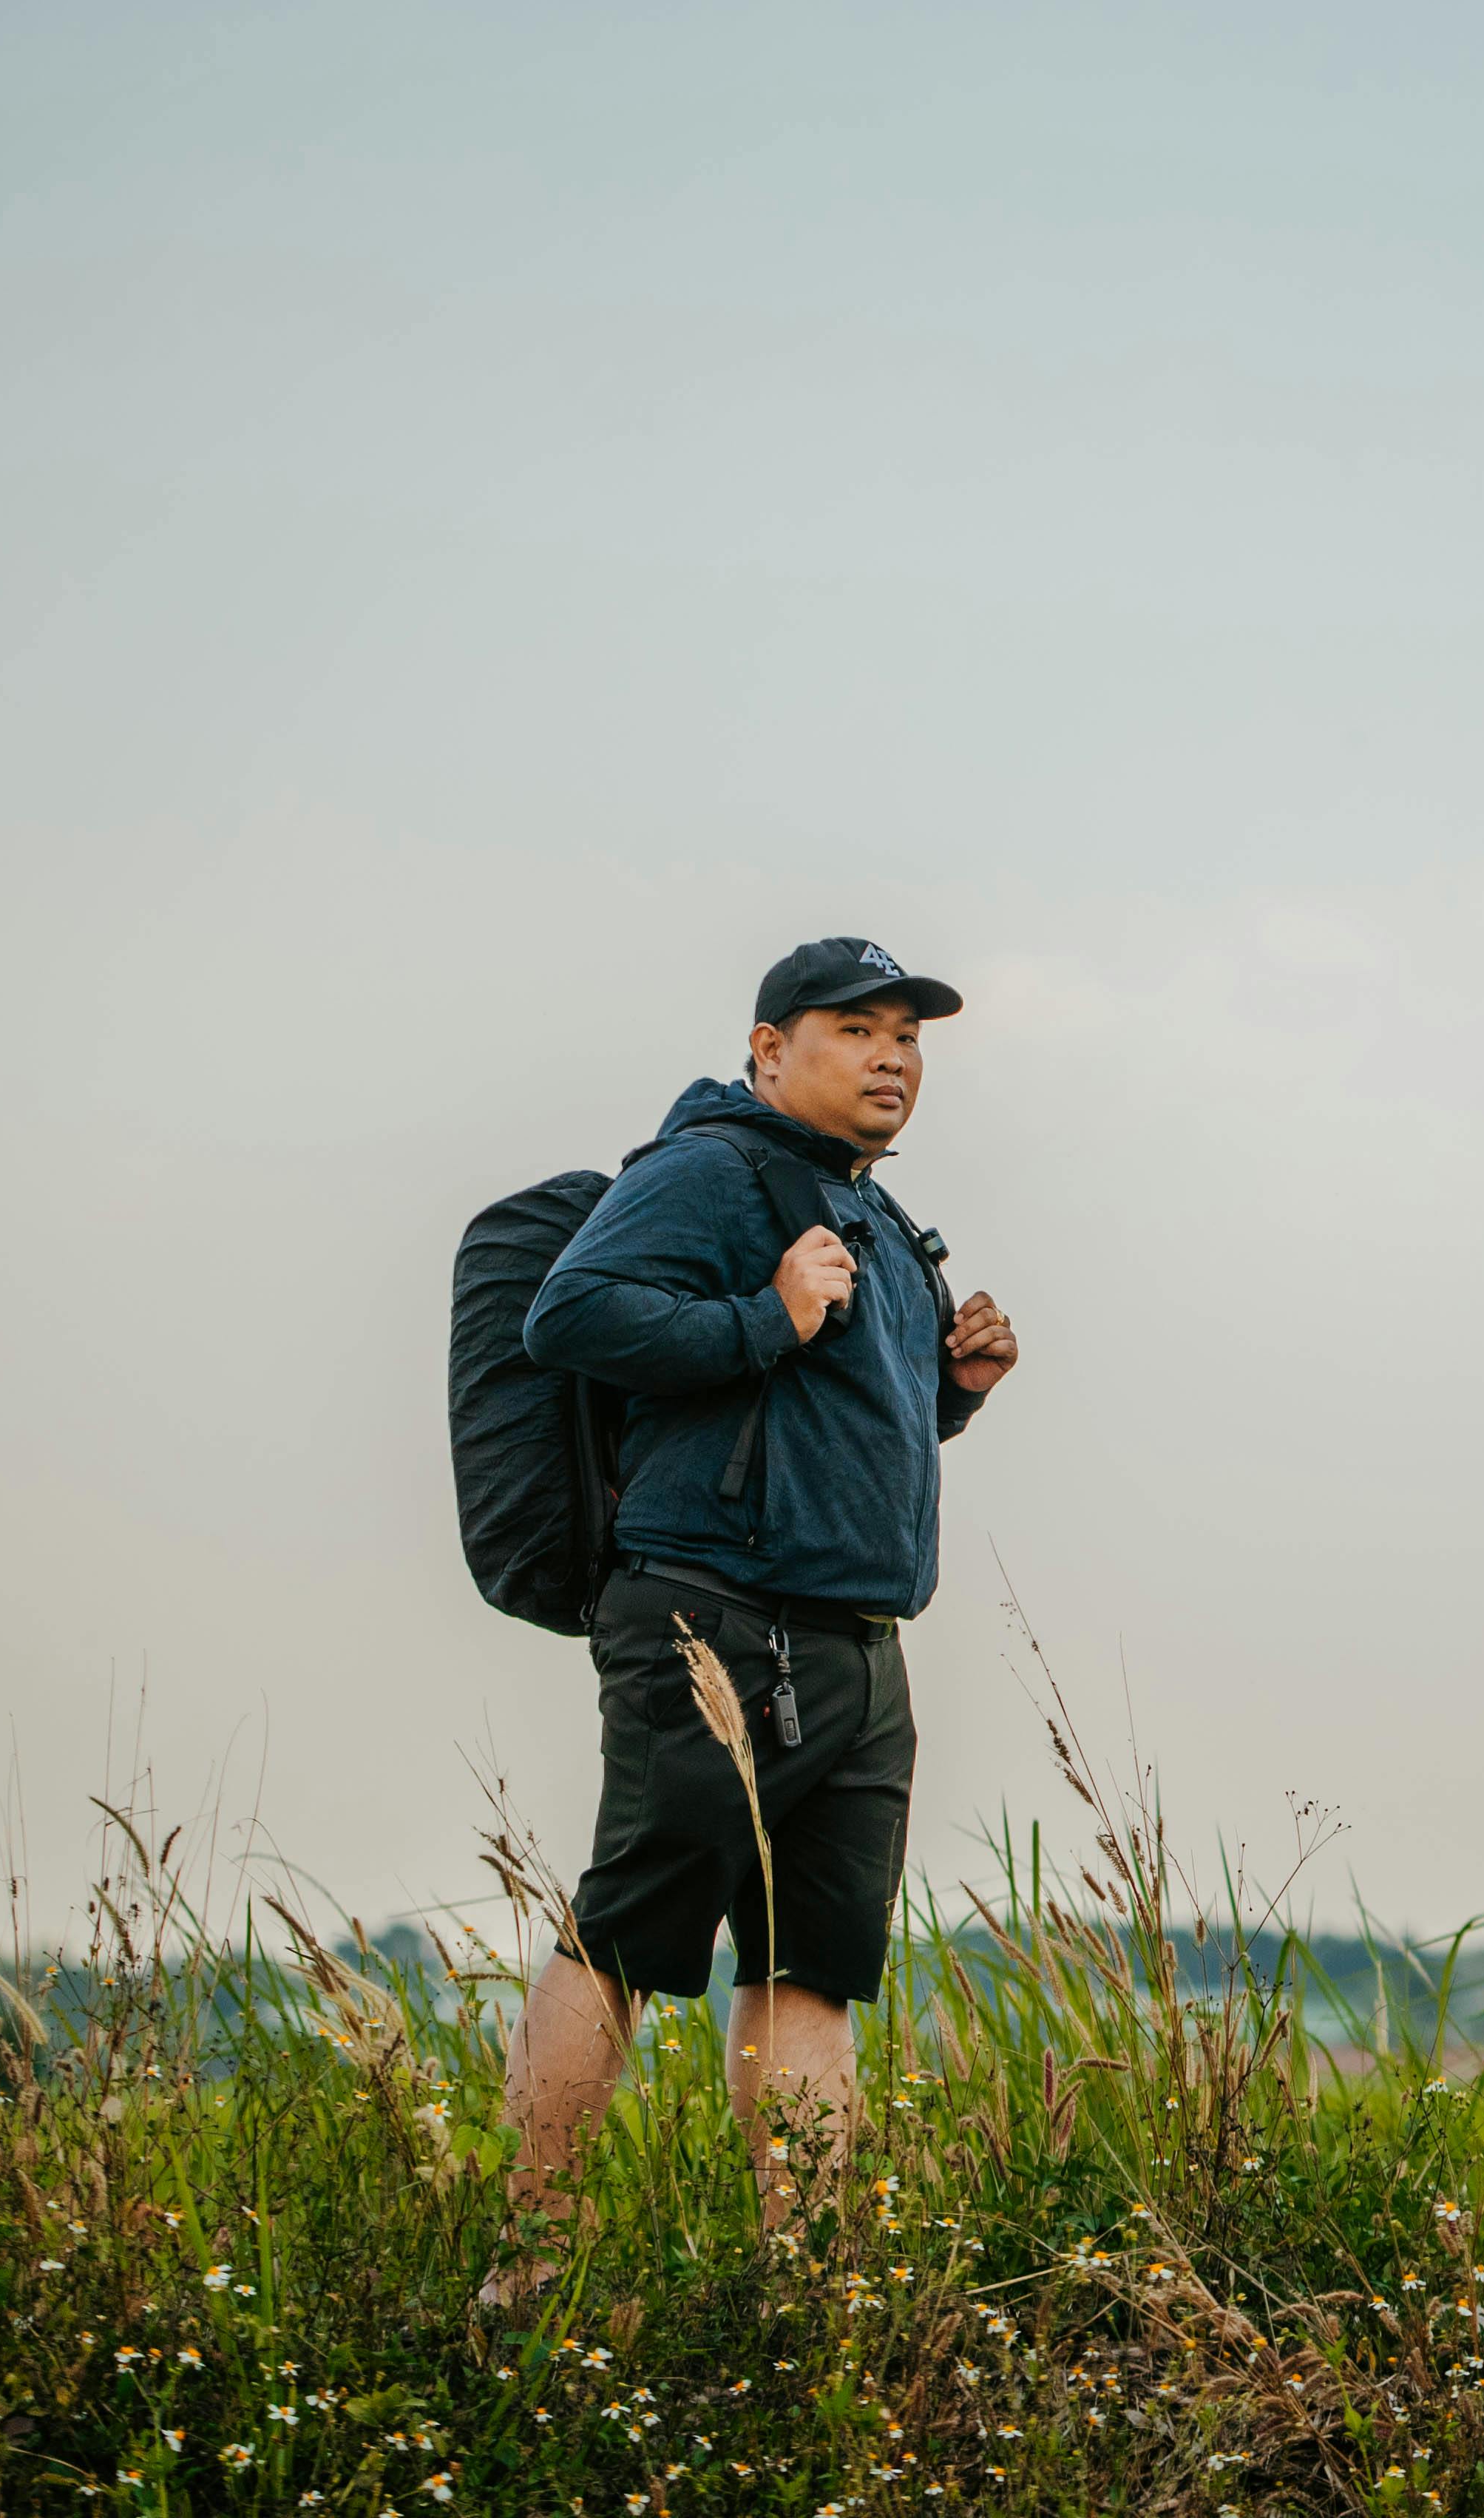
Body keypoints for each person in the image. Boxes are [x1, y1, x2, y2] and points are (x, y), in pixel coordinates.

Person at [486, 936, 1018, 2302]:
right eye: (857, 1028)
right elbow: (569, 1316)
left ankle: (811, 2285)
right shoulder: (712, 1170)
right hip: (716, 1619)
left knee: (811, 1970)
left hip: (858, 1641)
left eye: (909, 1034)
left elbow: (833, 1421)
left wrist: (955, 1391)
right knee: (626, 1934)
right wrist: (765, 1316)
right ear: (771, 1049)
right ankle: (529, 2270)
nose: (893, 1055)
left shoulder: (874, 1214)